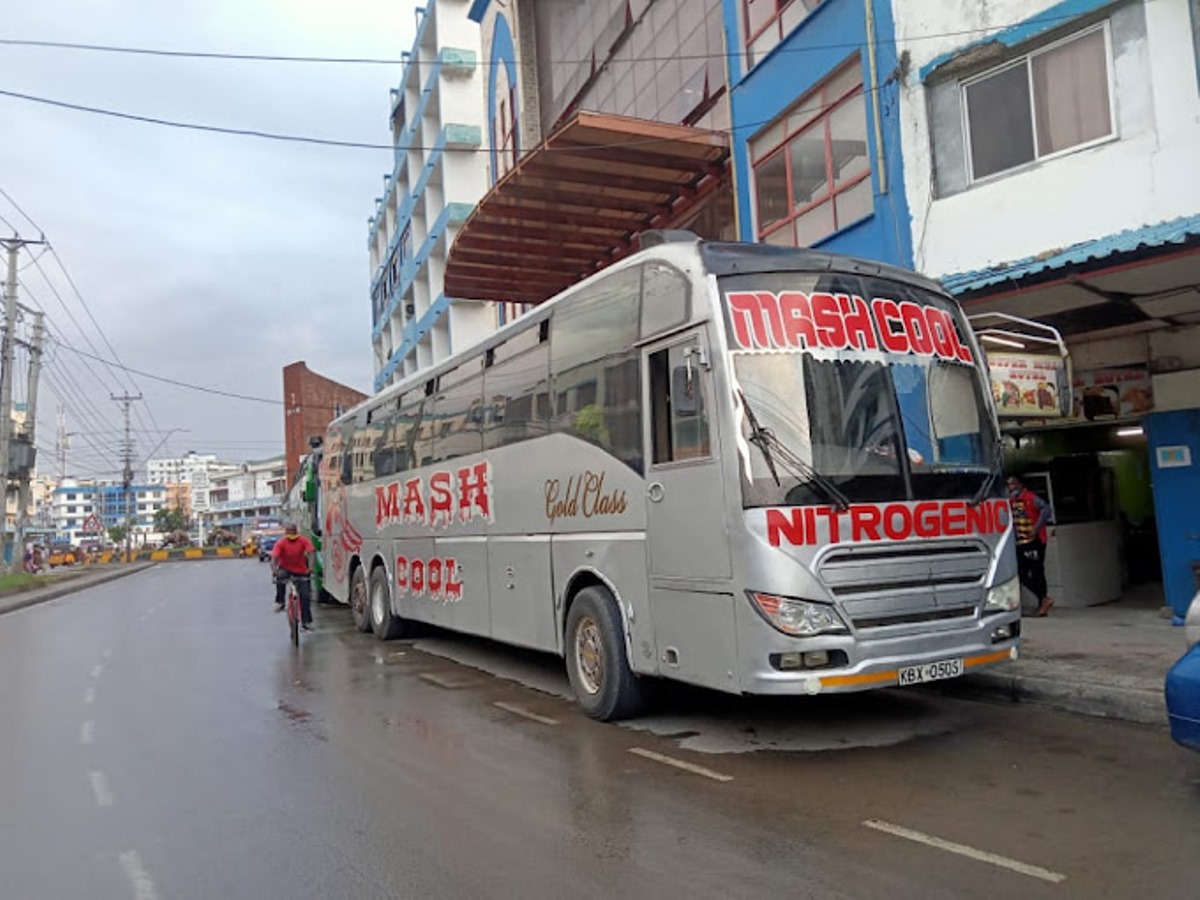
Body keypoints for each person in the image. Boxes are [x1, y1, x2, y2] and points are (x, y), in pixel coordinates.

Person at [1008, 475, 1054, 617]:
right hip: (1020, 542)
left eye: (1013, 484)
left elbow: (1046, 510)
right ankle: (1043, 599)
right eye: (1009, 485)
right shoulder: (1011, 501)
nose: (1011, 487)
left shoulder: (1030, 497)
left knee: (1036, 571)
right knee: (1021, 574)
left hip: (1034, 541)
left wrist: (1036, 527)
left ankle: (1043, 601)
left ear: (1021, 484)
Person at [271, 523, 316, 631]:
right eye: (289, 531)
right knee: (280, 578)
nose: (291, 533)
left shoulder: (303, 540)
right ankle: (280, 602)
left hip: (301, 570)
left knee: (305, 595)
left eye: (293, 531)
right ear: (286, 533)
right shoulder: (281, 543)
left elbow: (311, 553)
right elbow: (274, 558)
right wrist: (274, 570)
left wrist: (310, 567)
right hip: (285, 569)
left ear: (296, 531)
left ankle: (306, 622)